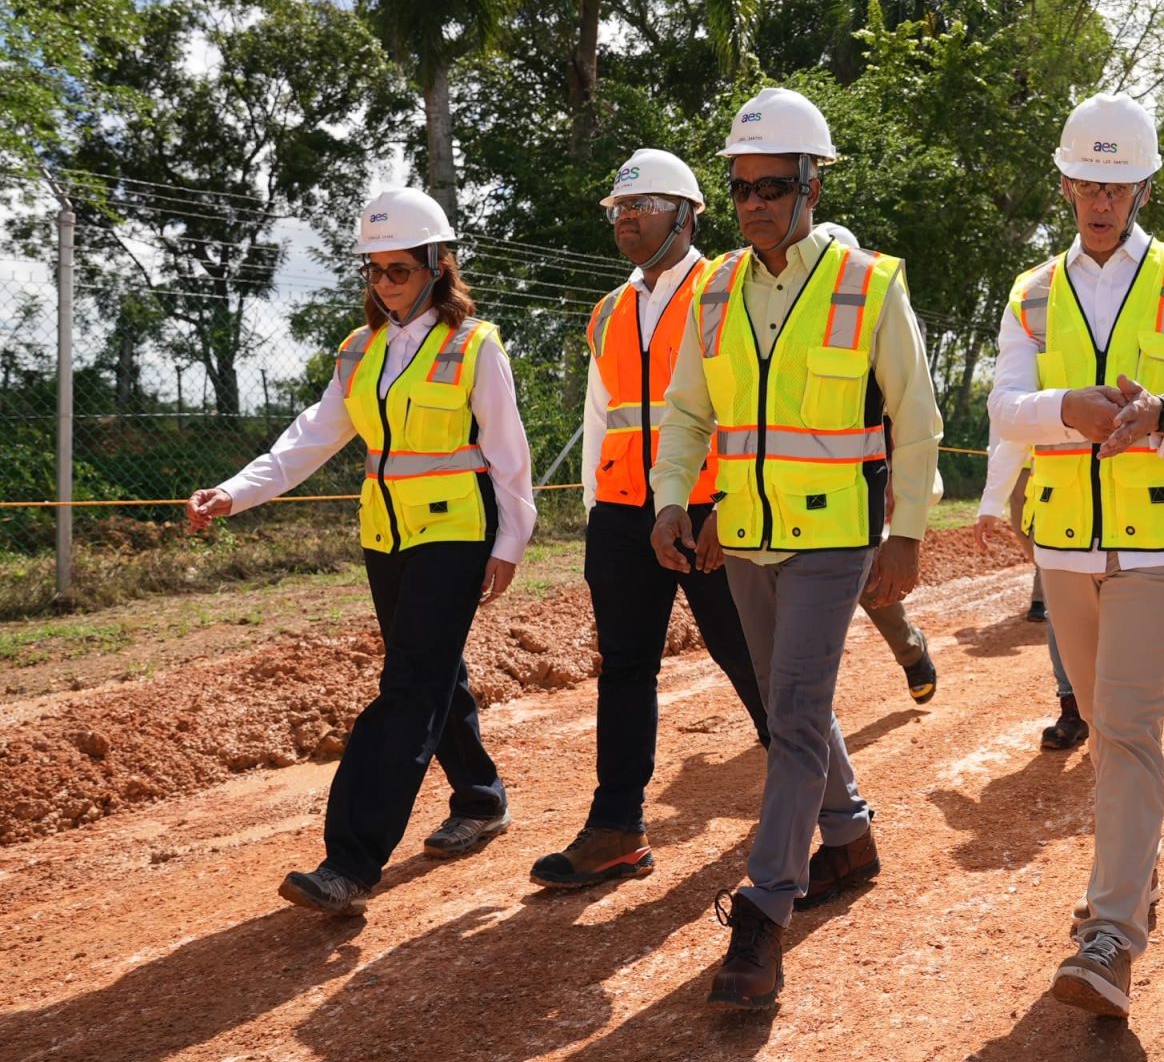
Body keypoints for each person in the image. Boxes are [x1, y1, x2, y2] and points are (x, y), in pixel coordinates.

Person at [647, 86, 943, 1008]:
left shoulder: (869, 283)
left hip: (836, 537)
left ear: (812, 185)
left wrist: (906, 535)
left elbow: (919, 417)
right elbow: (691, 409)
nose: (754, 204)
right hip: (745, 533)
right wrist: (671, 502)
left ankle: (763, 913)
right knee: (789, 711)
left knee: (796, 713)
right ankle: (847, 833)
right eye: (741, 188)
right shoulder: (716, 289)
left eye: (773, 185)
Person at [185, 190, 534, 916]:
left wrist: (510, 541)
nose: (385, 283)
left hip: (455, 536)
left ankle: (350, 858)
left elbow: (509, 456)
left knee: (408, 686)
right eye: (374, 270)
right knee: (434, 671)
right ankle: (480, 797)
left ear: (439, 266)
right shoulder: (359, 350)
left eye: (400, 269)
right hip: (385, 536)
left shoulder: (475, 345)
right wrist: (234, 491)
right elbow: (310, 436)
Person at [988, 91, 1164, 1018]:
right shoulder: (1032, 291)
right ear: (1065, 181)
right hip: (1064, 539)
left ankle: (1110, 933)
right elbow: (1004, 408)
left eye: (1118, 183)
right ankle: (1137, 869)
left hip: (1162, 542)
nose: (1102, 199)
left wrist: (1161, 418)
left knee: (1127, 726)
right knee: (1102, 726)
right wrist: (1070, 409)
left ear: (1141, 185)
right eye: (1088, 181)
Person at [529, 149, 769, 893]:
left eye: (644, 206)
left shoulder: (727, 290)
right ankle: (617, 828)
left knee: (751, 656)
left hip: (710, 508)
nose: (626, 218)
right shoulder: (609, 309)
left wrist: (734, 501)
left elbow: (753, 403)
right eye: (620, 209)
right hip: (625, 513)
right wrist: (597, 509)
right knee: (625, 667)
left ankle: (820, 795)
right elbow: (602, 415)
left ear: (688, 214)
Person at [812, 221, 940, 705]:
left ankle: (911, 652)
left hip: (861, 482)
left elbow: (905, 413)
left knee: (868, 584)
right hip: (793, 484)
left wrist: (896, 488)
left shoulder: (882, 311)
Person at [974, 434, 1087, 750]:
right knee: (1059, 615)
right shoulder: (1040, 385)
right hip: (1057, 508)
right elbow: (1013, 432)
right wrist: (991, 504)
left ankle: (1113, 712)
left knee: (1109, 618)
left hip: (1124, 512)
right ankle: (1072, 709)